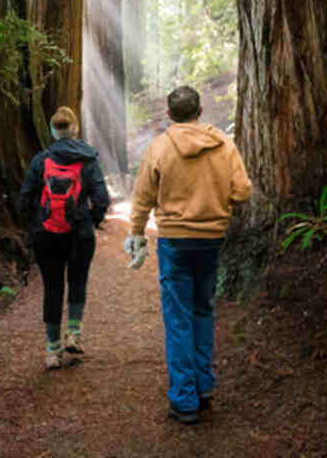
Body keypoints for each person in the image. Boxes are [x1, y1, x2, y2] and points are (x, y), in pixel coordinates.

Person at [125, 85, 253, 424]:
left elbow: (141, 198)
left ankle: (184, 400)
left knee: (178, 317)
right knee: (203, 311)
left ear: (170, 115)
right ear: (200, 111)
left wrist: (136, 232)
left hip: (175, 242)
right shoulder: (223, 145)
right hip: (211, 240)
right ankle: (204, 386)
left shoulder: (160, 147)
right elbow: (242, 191)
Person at [19, 105, 110, 370]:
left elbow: (25, 199)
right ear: (75, 129)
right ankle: (73, 334)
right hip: (80, 234)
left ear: (53, 131)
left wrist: (38, 222)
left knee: (53, 288)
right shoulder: (89, 160)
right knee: (77, 282)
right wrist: (91, 220)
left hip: (46, 235)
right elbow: (101, 200)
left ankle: (52, 351)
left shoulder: (40, 160)